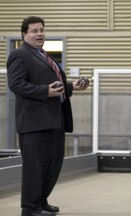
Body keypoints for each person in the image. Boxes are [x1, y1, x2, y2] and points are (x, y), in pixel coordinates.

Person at [6, 16, 89, 216]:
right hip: (35, 123)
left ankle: (41, 202)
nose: (40, 34)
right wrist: (45, 91)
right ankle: (30, 208)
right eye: (34, 31)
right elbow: (16, 84)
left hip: (54, 120)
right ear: (24, 34)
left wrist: (71, 87)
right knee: (34, 168)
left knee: (52, 165)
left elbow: (53, 83)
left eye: (42, 30)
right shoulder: (20, 55)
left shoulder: (43, 54)